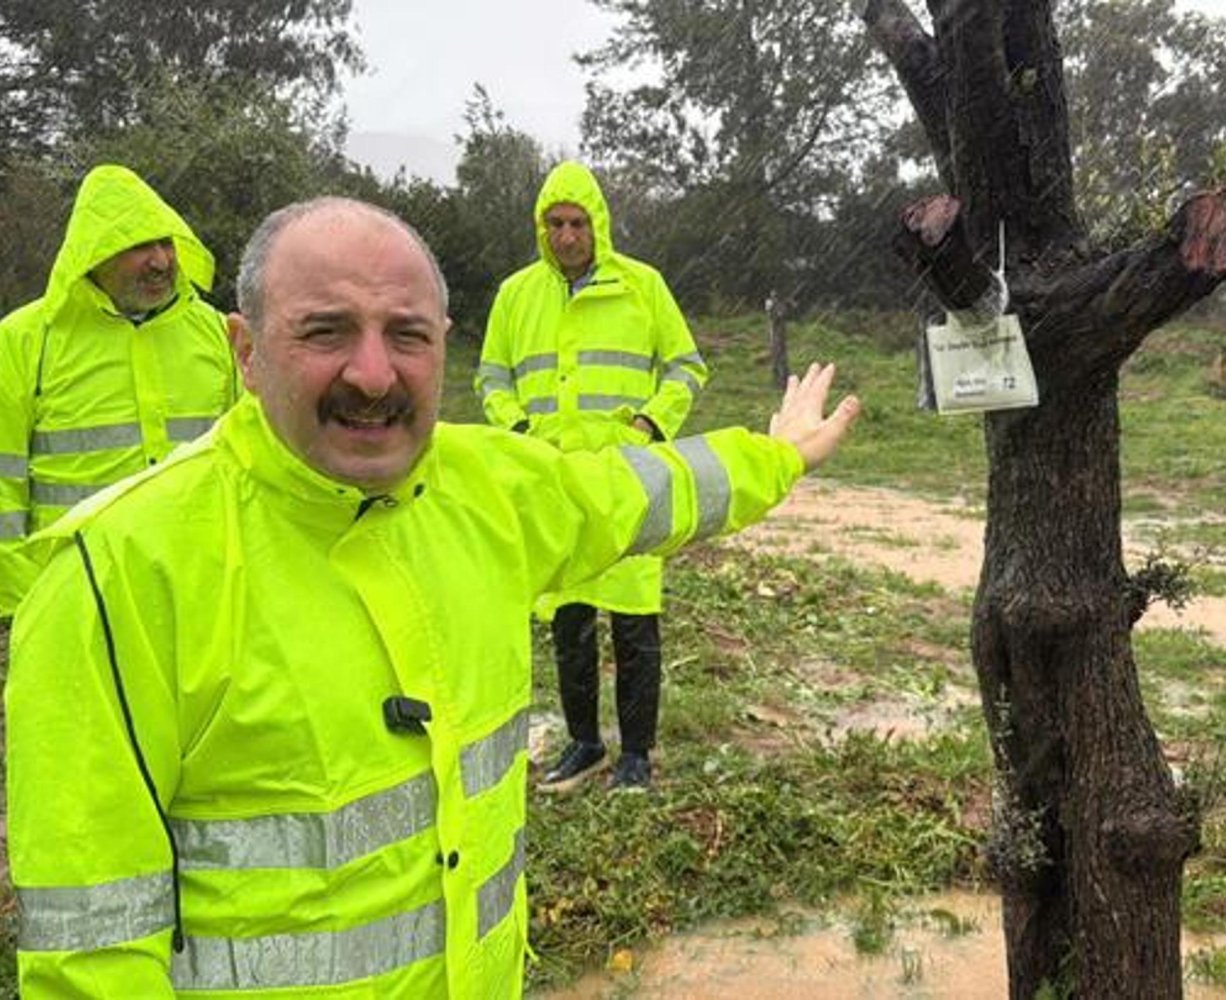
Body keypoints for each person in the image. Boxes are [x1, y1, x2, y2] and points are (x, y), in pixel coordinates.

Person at [5, 196, 858, 998]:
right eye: (327, 331)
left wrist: (775, 457)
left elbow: (636, 493)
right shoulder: (115, 578)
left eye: (407, 335)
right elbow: (93, 953)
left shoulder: (488, 491)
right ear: (245, 350)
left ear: (444, 344)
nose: (373, 375)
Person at [477, 160, 708, 793]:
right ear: (540, 227)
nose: (567, 236)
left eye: (578, 222)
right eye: (555, 223)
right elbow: (491, 377)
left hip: (627, 476)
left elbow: (687, 367)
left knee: (635, 619)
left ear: (598, 224)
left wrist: (650, 427)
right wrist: (520, 432)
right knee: (569, 619)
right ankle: (584, 743)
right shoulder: (516, 295)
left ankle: (636, 753)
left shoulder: (643, 286)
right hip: (554, 481)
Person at [0, 163, 239, 615]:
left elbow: (252, 459)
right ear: (95, 251)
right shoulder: (24, 340)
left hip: (198, 590)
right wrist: (19, 606)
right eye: (138, 245)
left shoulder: (217, 333)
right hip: (71, 596)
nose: (162, 261)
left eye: (166, 242)